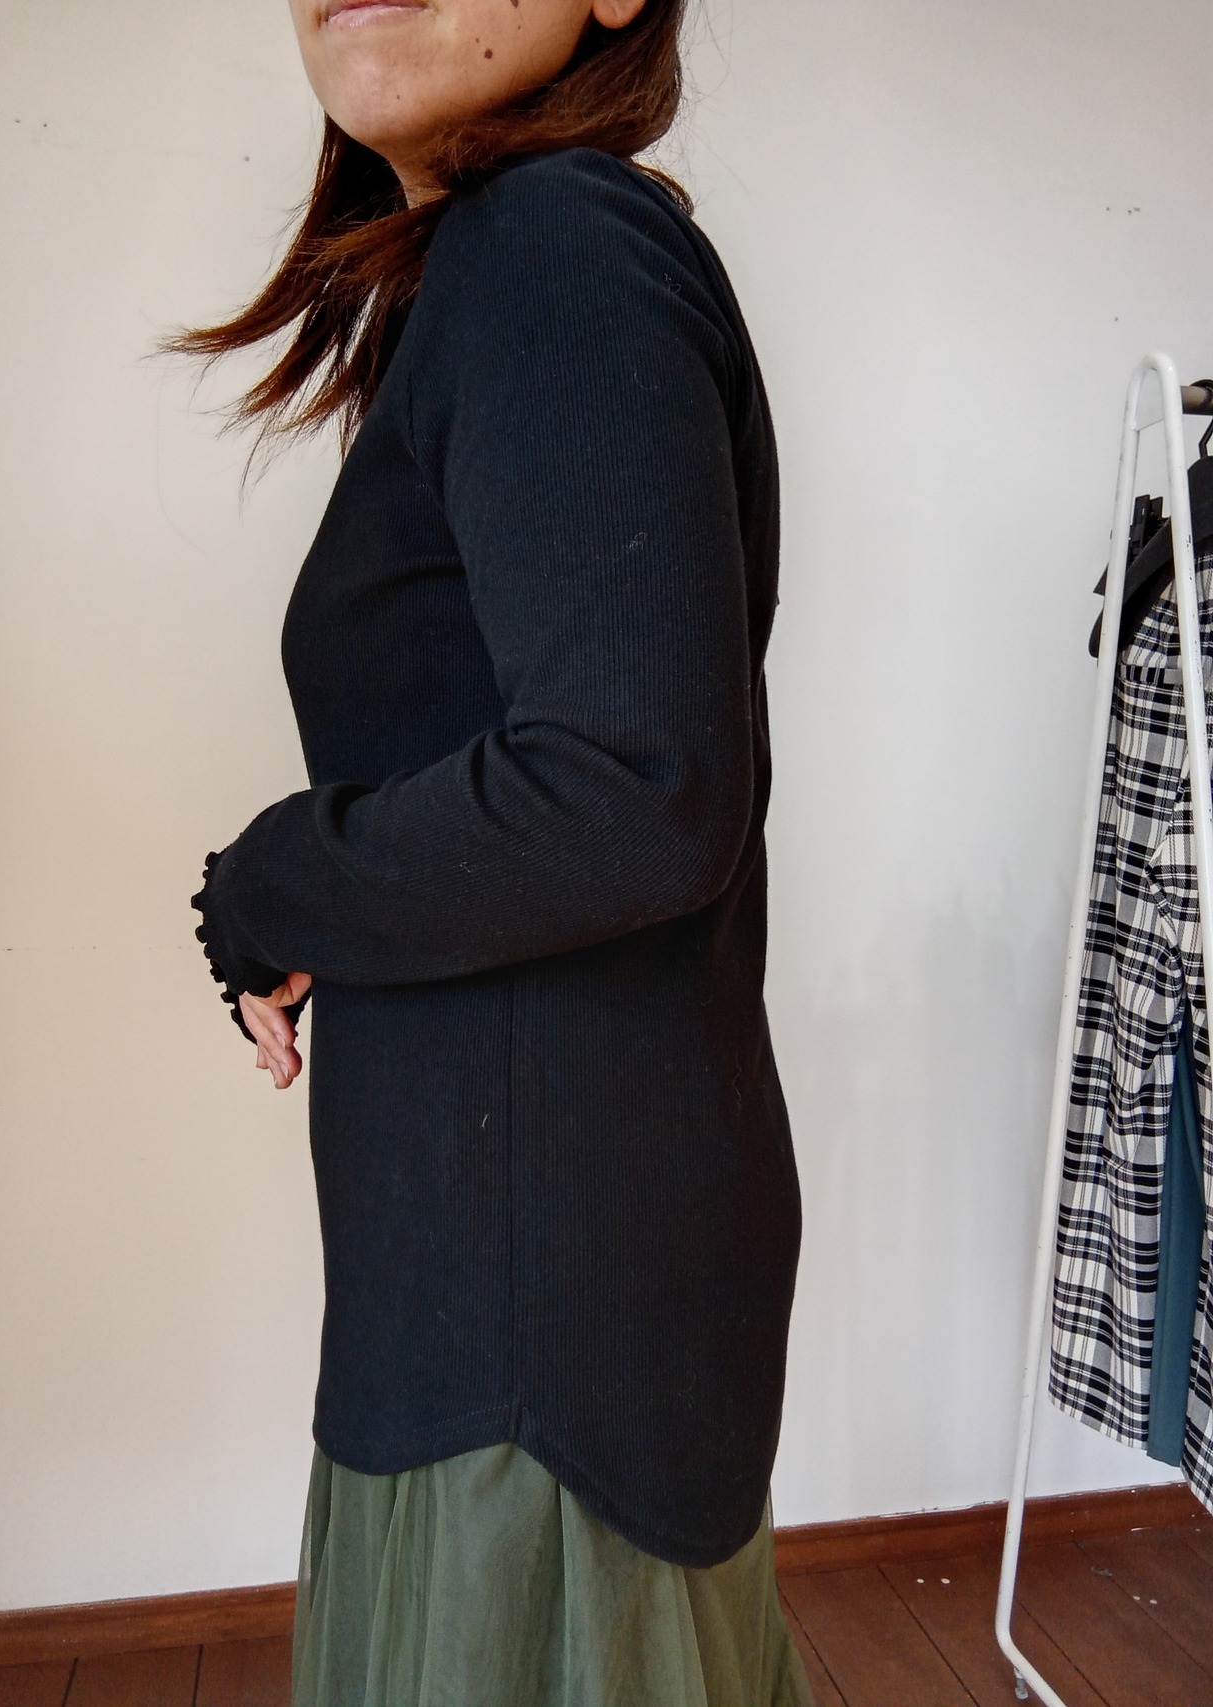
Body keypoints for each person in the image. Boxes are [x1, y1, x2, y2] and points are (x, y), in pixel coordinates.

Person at [177, 0, 813, 1702]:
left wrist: (268, 882)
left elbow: (633, 786)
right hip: (514, 1297)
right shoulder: (502, 266)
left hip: (537, 1355)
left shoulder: (553, 243)